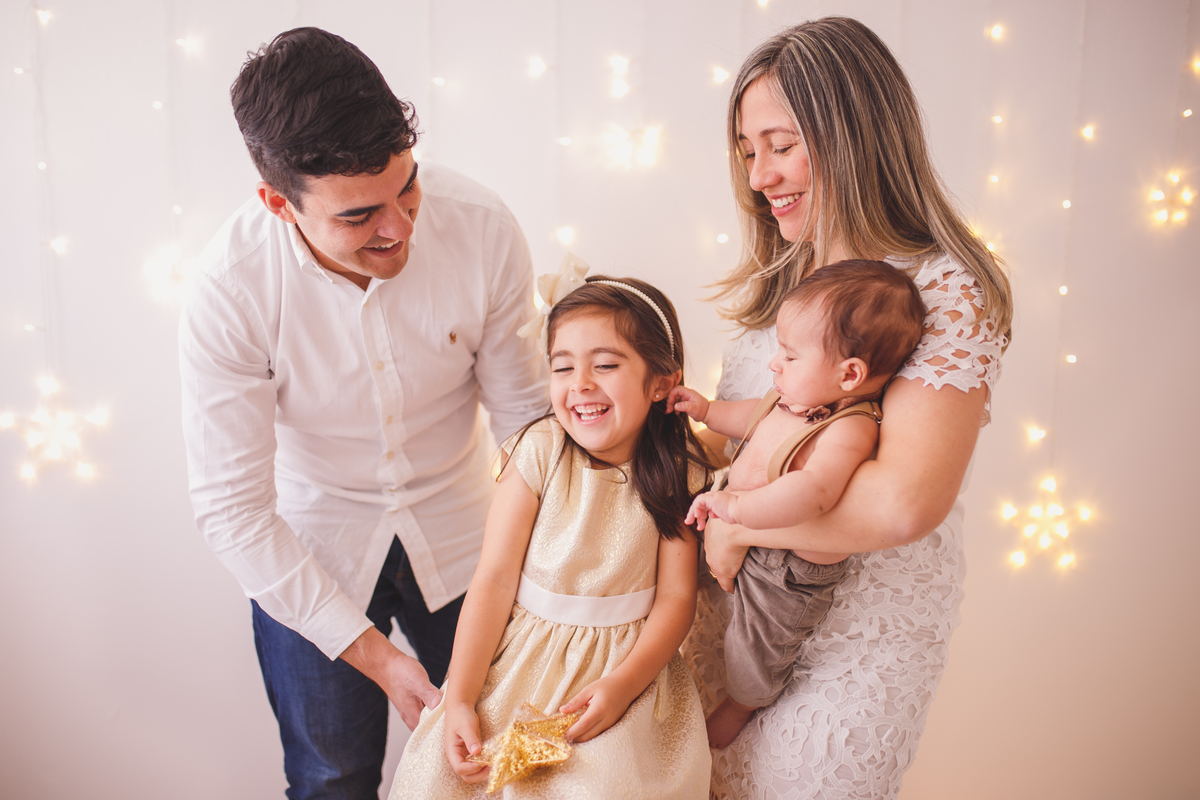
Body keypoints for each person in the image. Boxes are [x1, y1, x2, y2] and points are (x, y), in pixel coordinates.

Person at [178, 27, 547, 799]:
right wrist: (376, 657)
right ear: (278, 204)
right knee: (330, 779)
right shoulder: (229, 287)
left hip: (467, 534)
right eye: (358, 217)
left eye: (407, 187)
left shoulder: (481, 227)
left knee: (506, 770)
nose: (401, 226)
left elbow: (529, 431)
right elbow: (232, 510)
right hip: (311, 550)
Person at [677, 16, 1013, 799]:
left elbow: (900, 503)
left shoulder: (940, 290)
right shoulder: (778, 287)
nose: (760, 176)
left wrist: (733, 519)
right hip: (732, 616)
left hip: (852, 640)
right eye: (747, 150)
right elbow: (757, 445)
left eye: (782, 144)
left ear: (853, 134)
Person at [390, 259, 713, 798]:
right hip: (521, 666)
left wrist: (622, 686)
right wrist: (462, 697)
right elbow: (492, 581)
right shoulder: (537, 452)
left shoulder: (680, 474)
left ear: (661, 382)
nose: (579, 385)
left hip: (623, 673)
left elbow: (677, 601)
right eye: (562, 367)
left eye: (605, 365)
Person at [667, 259, 924, 749]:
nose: (774, 364)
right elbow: (749, 419)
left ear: (850, 374)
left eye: (789, 355)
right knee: (674, 566)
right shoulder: (791, 397)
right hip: (729, 520)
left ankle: (743, 703)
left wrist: (738, 514)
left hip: (783, 571)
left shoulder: (851, 427)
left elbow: (814, 493)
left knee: (752, 650)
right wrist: (706, 410)